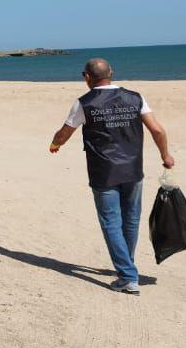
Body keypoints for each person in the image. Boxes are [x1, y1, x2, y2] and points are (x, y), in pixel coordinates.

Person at [48, 57, 174, 296]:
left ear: (87, 77)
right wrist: (165, 155)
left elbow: (65, 132)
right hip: (133, 169)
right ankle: (127, 265)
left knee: (111, 222)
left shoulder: (85, 103)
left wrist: (55, 144)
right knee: (131, 219)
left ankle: (127, 276)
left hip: (104, 171)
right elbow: (157, 129)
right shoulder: (135, 97)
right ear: (111, 73)